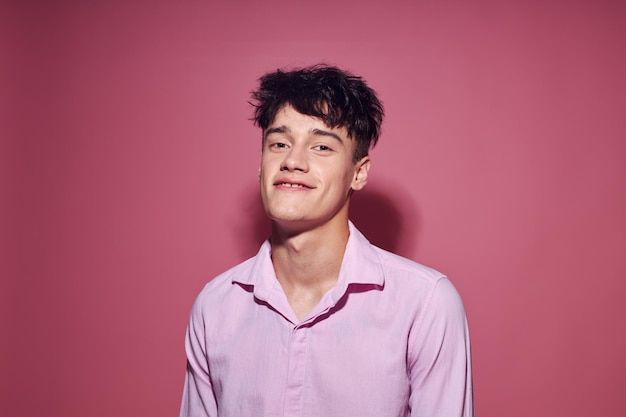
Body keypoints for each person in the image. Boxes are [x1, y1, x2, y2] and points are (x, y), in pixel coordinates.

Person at [180, 64, 473, 417]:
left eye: (320, 146)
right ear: (261, 164)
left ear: (359, 172)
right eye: (279, 143)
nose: (292, 160)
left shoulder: (425, 304)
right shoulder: (215, 307)